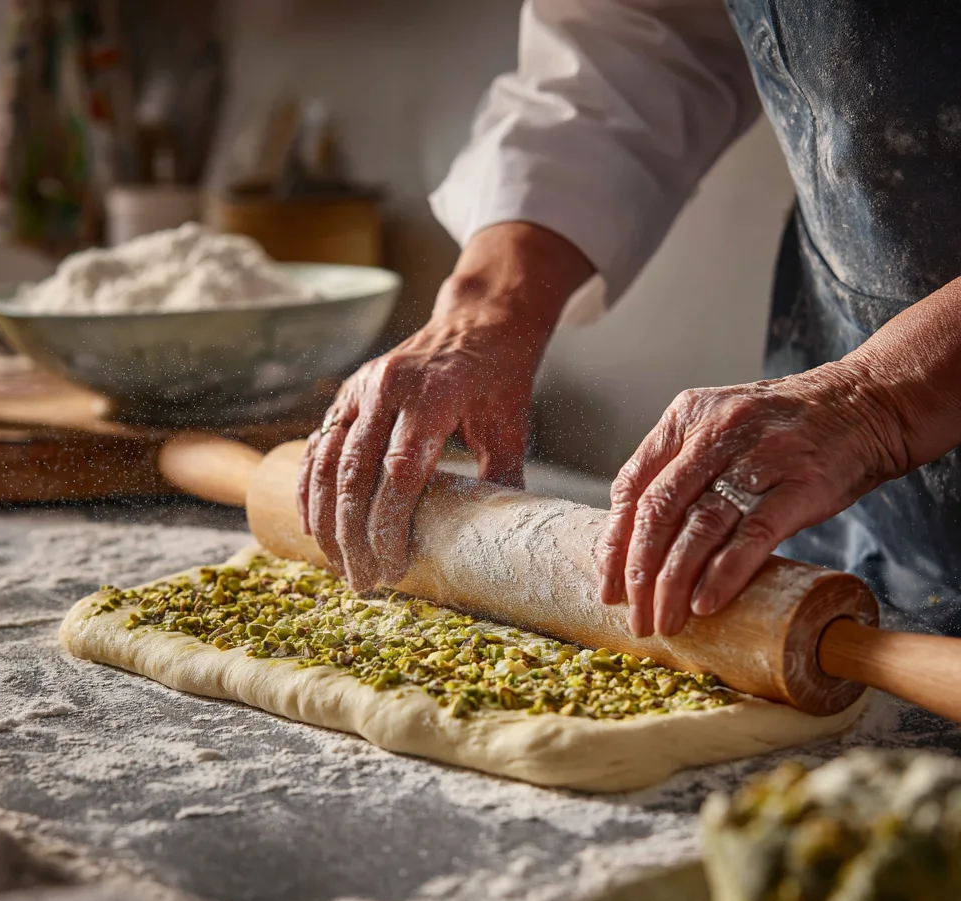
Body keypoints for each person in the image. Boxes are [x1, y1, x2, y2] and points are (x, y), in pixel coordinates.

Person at [298, 0, 961, 639]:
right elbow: (639, 39)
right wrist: (483, 305)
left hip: (853, 411)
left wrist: (874, 401)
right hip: (846, 504)